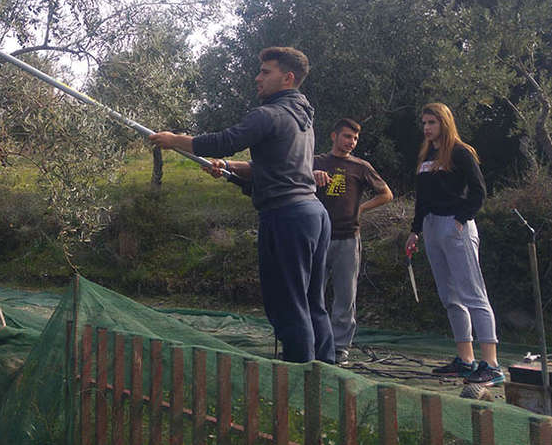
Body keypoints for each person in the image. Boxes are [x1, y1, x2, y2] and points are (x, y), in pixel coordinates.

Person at [149, 47, 334, 363]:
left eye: (266, 71)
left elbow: (224, 139)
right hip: (312, 213)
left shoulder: (269, 114)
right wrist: (229, 168)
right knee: (312, 301)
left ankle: (299, 379)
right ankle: (327, 373)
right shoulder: (301, 119)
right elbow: (273, 168)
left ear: (287, 77)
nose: (257, 78)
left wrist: (174, 140)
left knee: (289, 303)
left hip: (287, 217)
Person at [404, 103, 503, 386]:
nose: (426, 128)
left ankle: (492, 365)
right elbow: (422, 198)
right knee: (450, 296)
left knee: (473, 294)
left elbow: (479, 191)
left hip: (455, 226)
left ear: (444, 123)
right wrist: (415, 231)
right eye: (424, 123)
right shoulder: (427, 156)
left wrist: (462, 218)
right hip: (432, 226)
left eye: (432, 122)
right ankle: (465, 360)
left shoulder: (460, 151)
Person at [312, 118, 393, 365]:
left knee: (345, 296)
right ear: (334, 136)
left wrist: (361, 208)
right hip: (317, 236)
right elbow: (291, 179)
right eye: (347, 136)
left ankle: (339, 347)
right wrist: (311, 176)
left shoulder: (361, 166)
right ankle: (311, 340)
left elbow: (386, 194)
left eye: (355, 138)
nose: (351, 142)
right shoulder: (315, 161)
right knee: (311, 292)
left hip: (348, 237)